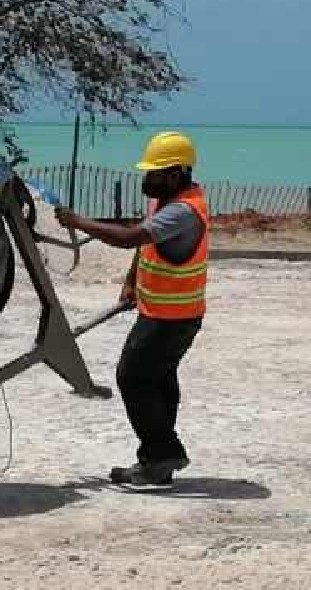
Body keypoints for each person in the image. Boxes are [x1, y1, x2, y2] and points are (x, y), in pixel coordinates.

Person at [56, 131, 208, 487]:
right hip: (161, 312)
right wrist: (131, 281)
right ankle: (158, 463)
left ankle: (162, 453)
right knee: (158, 381)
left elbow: (131, 238)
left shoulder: (184, 211)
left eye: (153, 173)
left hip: (173, 318)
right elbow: (147, 246)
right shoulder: (166, 200)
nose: (146, 180)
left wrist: (78, 222)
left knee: (132, 377)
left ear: (174, 174)